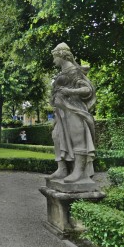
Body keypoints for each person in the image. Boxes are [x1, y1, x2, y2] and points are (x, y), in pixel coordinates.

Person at [47, 42, 96, 183]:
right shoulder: (62, 73)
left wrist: (69, 91)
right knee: (56, 136)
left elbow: (87, 89)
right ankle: (62, 169)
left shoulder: (75, 71)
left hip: (74, 109)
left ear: (61, 55)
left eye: (55, 57)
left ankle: (79, 171)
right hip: (61, 112)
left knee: (77, 137)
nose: (53, 60)